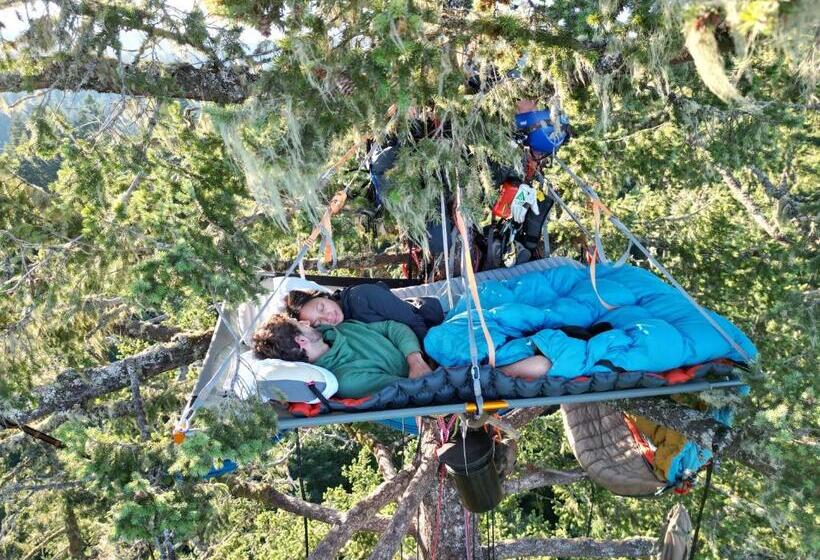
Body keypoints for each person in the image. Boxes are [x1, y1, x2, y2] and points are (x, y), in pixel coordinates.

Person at [252, 315, 552, 399]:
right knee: (442, 340)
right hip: (446, 361)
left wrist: (413, 358)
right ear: (302, 340)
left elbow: (393, 328)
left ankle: (547, 326)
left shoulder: (337, 331)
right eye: (299, 324)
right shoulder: (347, 380)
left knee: (490, 305)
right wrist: (419, 362)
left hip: (428, 349)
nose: (306, 321)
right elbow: (420, 387)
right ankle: (544, 342)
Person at [285, 283, 444, 342]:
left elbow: (413, 320)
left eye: (321, 308)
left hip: (438, 316)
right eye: (319, 323)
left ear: (325, 296)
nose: (328, 317)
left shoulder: (361, 295)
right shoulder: (342, 331)